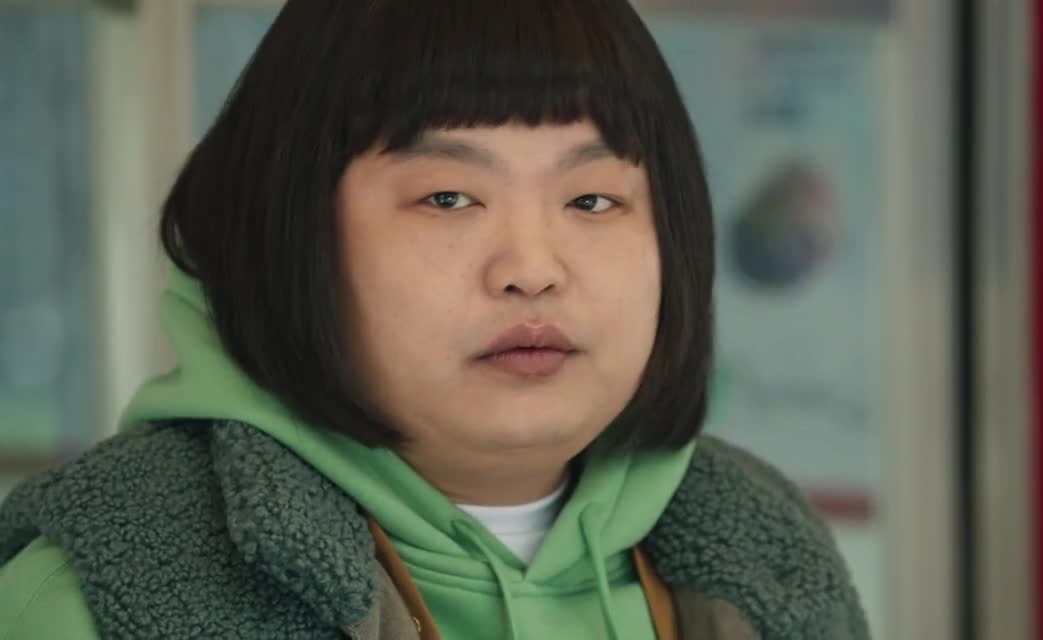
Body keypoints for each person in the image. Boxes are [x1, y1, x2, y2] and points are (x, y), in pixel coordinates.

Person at [0, 1, 869, 638]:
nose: (532, 268)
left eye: (592, 200)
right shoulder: (103, 598)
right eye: (449, 197)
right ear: (293, 234)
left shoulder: (765, 569)